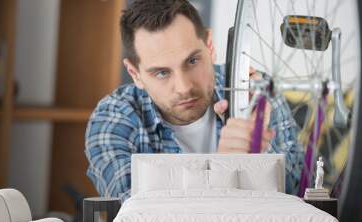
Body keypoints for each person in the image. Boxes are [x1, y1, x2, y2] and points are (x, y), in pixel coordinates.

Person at [85, 0, 304, 202]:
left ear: (210, 47)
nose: (184, 87)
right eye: (161, 73)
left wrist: (261, 154)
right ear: (135, 74)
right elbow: (138, 215)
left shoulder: (255, 90)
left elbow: (298, 192)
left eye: (192, 61)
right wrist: (222, 170)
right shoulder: (114, 117)